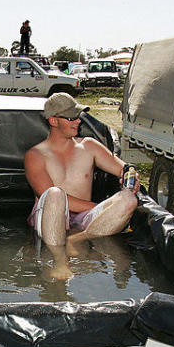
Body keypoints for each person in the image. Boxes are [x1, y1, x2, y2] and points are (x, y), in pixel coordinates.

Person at [24, 93, 138, 247]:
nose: (78, 121)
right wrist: (97, 207)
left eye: (78, 115)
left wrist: (131, 177)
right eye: (71, 118)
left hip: (84, 218)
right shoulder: (35, 155)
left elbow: (124, 168)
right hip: (49, 217)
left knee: (128, 199)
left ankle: (76, 240)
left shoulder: (88, 146)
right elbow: (46, 195)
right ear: (53, 121)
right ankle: (59, 262)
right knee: (56, 194)